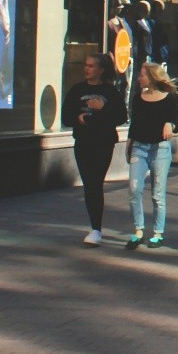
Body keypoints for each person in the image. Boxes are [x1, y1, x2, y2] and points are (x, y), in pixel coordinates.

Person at [64, 54, 125, 245]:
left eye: (91, 66)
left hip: (103, 142)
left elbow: (121, 116)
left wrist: (102, 108)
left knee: (95, 183)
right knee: (89, 183)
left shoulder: (110, 91)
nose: (86, 69)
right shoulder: (77, 90)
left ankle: (96, 229)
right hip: (83, 141)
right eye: (85, 65)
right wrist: (78, 118)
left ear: (101, 70)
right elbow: (66, 117)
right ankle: (95, 228)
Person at [127, 63, 178, 248]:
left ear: (151, 77)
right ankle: (138, 230)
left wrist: (169, 124)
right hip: (139, 148)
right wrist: (128, 147)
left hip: (160, 149)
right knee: (134, 188)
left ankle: (157, 233)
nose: (139, 79)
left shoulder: (169, 99)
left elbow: (176, 123)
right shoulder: (137, 98)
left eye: (142, 75)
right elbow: (134, 126)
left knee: (157, 194)